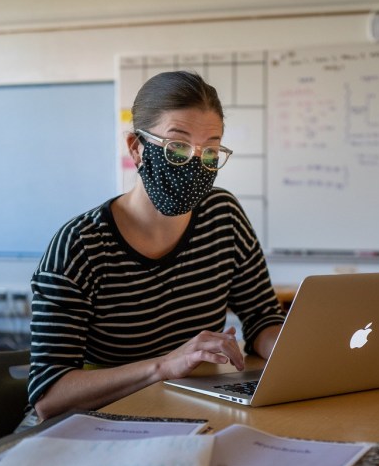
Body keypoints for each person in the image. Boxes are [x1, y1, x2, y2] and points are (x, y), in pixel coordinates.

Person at [26, 70, 284, 422]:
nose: (196, 164)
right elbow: (48, 396)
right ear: (137, 147)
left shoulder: (223, 215)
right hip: (98, 424)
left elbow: (262, 318)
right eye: (177, 147)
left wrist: (295, 351)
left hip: (187, 411)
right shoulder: (80, 246)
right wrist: (164, 366)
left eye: (210, 151)